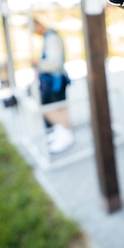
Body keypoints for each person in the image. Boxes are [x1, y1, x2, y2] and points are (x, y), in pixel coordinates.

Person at [32, 16, 74, 154]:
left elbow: (54, 62)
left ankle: (65, 135)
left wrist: (38, 64)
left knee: (51, 109)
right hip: (54, 80)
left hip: (54, 80)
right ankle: (60, 133)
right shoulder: (49, 37)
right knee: (59, 108)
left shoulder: (51, 38)